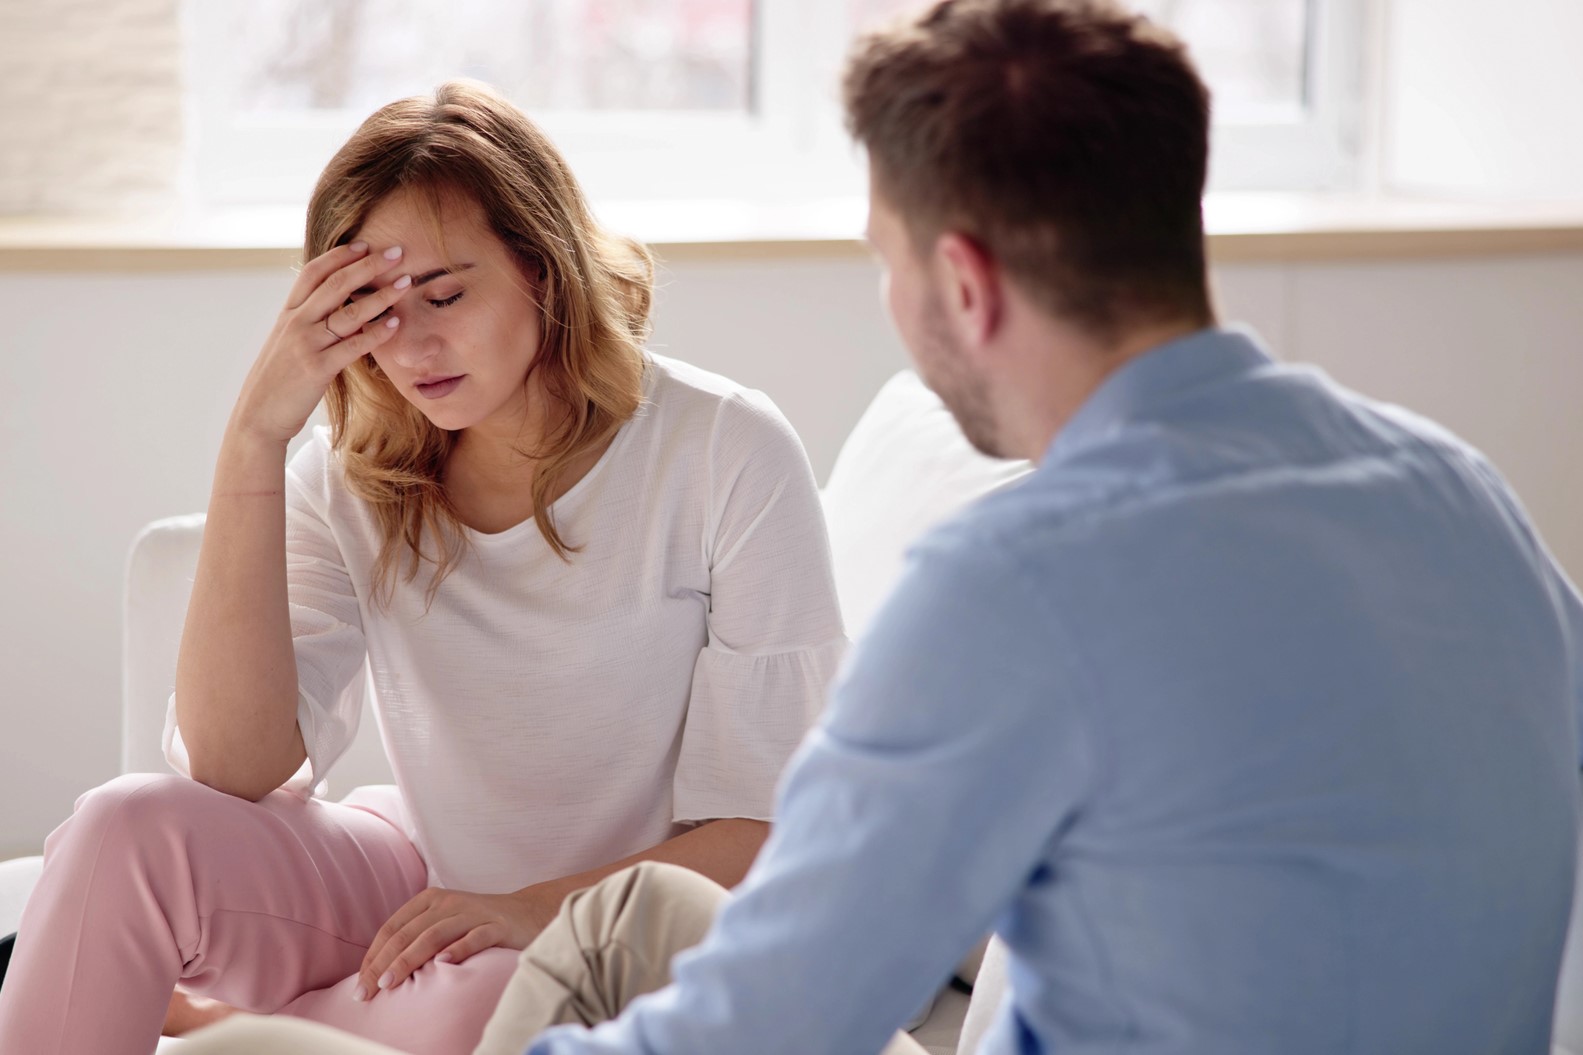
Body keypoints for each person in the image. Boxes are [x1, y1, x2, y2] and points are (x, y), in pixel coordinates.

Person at [141, 0, 1583, 1052]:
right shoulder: (1468, 500)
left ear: (959, 281)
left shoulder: (1019, 584)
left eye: (880, 260)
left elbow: (785, 1002)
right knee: (609, 924)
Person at [0, 80, 848, 1055]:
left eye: (444, 295)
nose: (410, 343)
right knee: (124, 825)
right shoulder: (353, 471)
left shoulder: (723, 449)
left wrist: (531, 908)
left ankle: (243, 1024)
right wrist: (254, 438)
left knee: (484, 998)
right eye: (371, 306)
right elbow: (235, 765)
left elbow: (766, 829)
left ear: (542, 267)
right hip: (426, 880)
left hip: (634, 932)